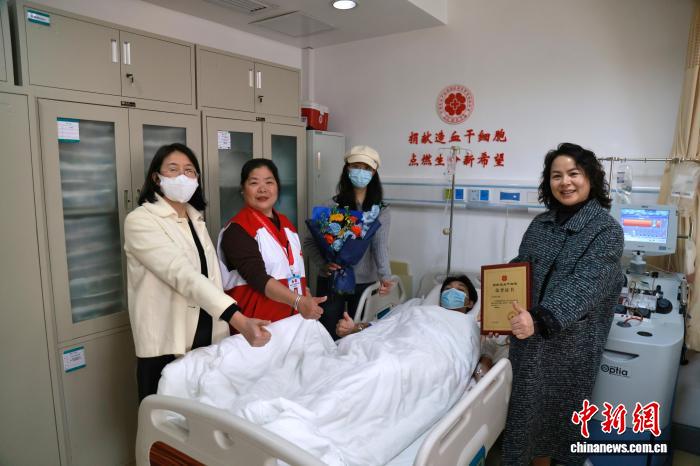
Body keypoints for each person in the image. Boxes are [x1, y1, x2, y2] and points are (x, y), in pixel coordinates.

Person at [502, 143, 624, 466]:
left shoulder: (606, 231)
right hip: (528, 341)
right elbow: (522, 267)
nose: (565, 182)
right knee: (523, 422)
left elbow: (585, 286)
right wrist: (496, 304)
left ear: (590, 178)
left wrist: (538, 320)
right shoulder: (541, 224)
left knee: (558, 426)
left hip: (570, 350)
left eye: (574, 173)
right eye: (556, 176)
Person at [124, 143, 271, 402]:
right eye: (173, 169)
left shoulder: (195, 220)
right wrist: (238, 319)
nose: (182, 176)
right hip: (167, 340)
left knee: (204, 413)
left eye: (189, 170)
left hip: (207, 334)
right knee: (164, 417)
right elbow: (182, 274)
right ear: (156, 178)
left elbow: (209, 277)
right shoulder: (141, 220)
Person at [218, 158, 326, 322]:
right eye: (254, 183)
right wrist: (298, 301)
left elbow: (290, 270)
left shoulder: (287, 224)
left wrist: (305, 293)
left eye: (269, 182)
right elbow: (258, 278)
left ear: (277, 187)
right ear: (243, 189)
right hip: (259, 327)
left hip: (292, 323)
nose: (263, 189)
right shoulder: (237, 230)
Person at [305, 145, 394, 339]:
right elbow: (309, 243)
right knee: (327, 333)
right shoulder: (330, 206)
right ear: (347, 169)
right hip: (332, 279)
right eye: (356, 166)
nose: (361, 172)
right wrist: (324, 265)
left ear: (374, 172)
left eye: (366, 168)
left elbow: (380, 247)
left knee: (360, 336)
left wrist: (385, 277)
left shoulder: (380, 210)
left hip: (365, 282)